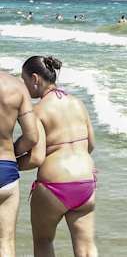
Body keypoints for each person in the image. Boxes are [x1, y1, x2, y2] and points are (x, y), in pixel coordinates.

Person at [19, 57, 95, 257]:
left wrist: (13, 163)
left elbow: (36, 158)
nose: (24, 87)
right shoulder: (78, 103)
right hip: (85, 183)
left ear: (35, 79)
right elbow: (91, 144)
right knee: (86, 248)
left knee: (43, 242)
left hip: (54, 186)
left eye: (24, 80)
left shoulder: (37, 111)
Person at [1, 70, 45, 257]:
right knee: (5, 242)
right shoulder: (17, 86)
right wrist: (11, 153)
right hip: (6, 170)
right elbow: (32, 137)